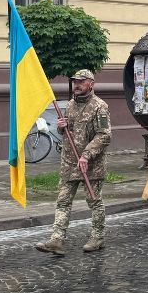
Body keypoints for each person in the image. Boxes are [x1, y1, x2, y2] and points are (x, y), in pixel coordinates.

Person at [34, 70, 111, 255]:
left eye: (81, 82)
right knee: (63, 201)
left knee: (94, 200)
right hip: (69, 162)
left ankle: (97, 236)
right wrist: (62, 128)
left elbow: (104, 135)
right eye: (75, 82)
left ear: (91, 83)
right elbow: (68, 132)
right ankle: (57, 239)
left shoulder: (100, 106)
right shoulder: (69, 105)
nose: (77, 85)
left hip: (91, 164)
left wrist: (86, 155)